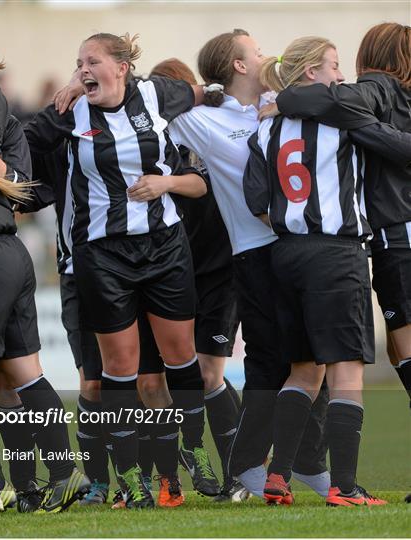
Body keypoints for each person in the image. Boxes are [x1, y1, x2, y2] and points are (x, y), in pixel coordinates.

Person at [25, 32, 220, 508]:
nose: (84, 70)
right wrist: (64, 94)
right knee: (120, 368)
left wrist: (167, 181)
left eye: (92, 62)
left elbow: (205, 93)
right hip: (102, 254)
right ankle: (130, 478)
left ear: (122, 67)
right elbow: (23, 145)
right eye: (78, 63)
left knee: (179, 358)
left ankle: (193, 445)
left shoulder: (156, 93)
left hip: (164, 245)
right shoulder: (70, 111)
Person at [244, 34, 411, 507]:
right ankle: (346, 486)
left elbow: (258, 202)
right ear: (311, 75)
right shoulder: (345, 120)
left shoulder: (265, 129)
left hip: (285, 254)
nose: (341, 76)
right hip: (337, 254)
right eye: (333, 66)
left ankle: (277, 475)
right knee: (346, 372)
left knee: (302, 370)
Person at [168, 29, 330, 499]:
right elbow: (146, 103)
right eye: (256, 51)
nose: (267, 55)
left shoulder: (285, 102)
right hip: (253, 254)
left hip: (300, 246)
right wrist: (79, 83)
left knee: (310, 357)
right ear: (239, 65)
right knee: (268, 364)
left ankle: (305, 463)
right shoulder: (205, 120)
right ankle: (247, 468)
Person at [0, 65, 90, 514]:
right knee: (21, 374)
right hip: (12, 252)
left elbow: (18, 191)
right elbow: (23, 192)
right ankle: (62, 475)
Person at [142, 57, 245, 503]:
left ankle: (240, 474)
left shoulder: (204, 128)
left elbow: (203, 183)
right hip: (171, 270)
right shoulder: (149, 139)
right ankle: (173, 474)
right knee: (159, 380)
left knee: (207, 373)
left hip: (220, 268)